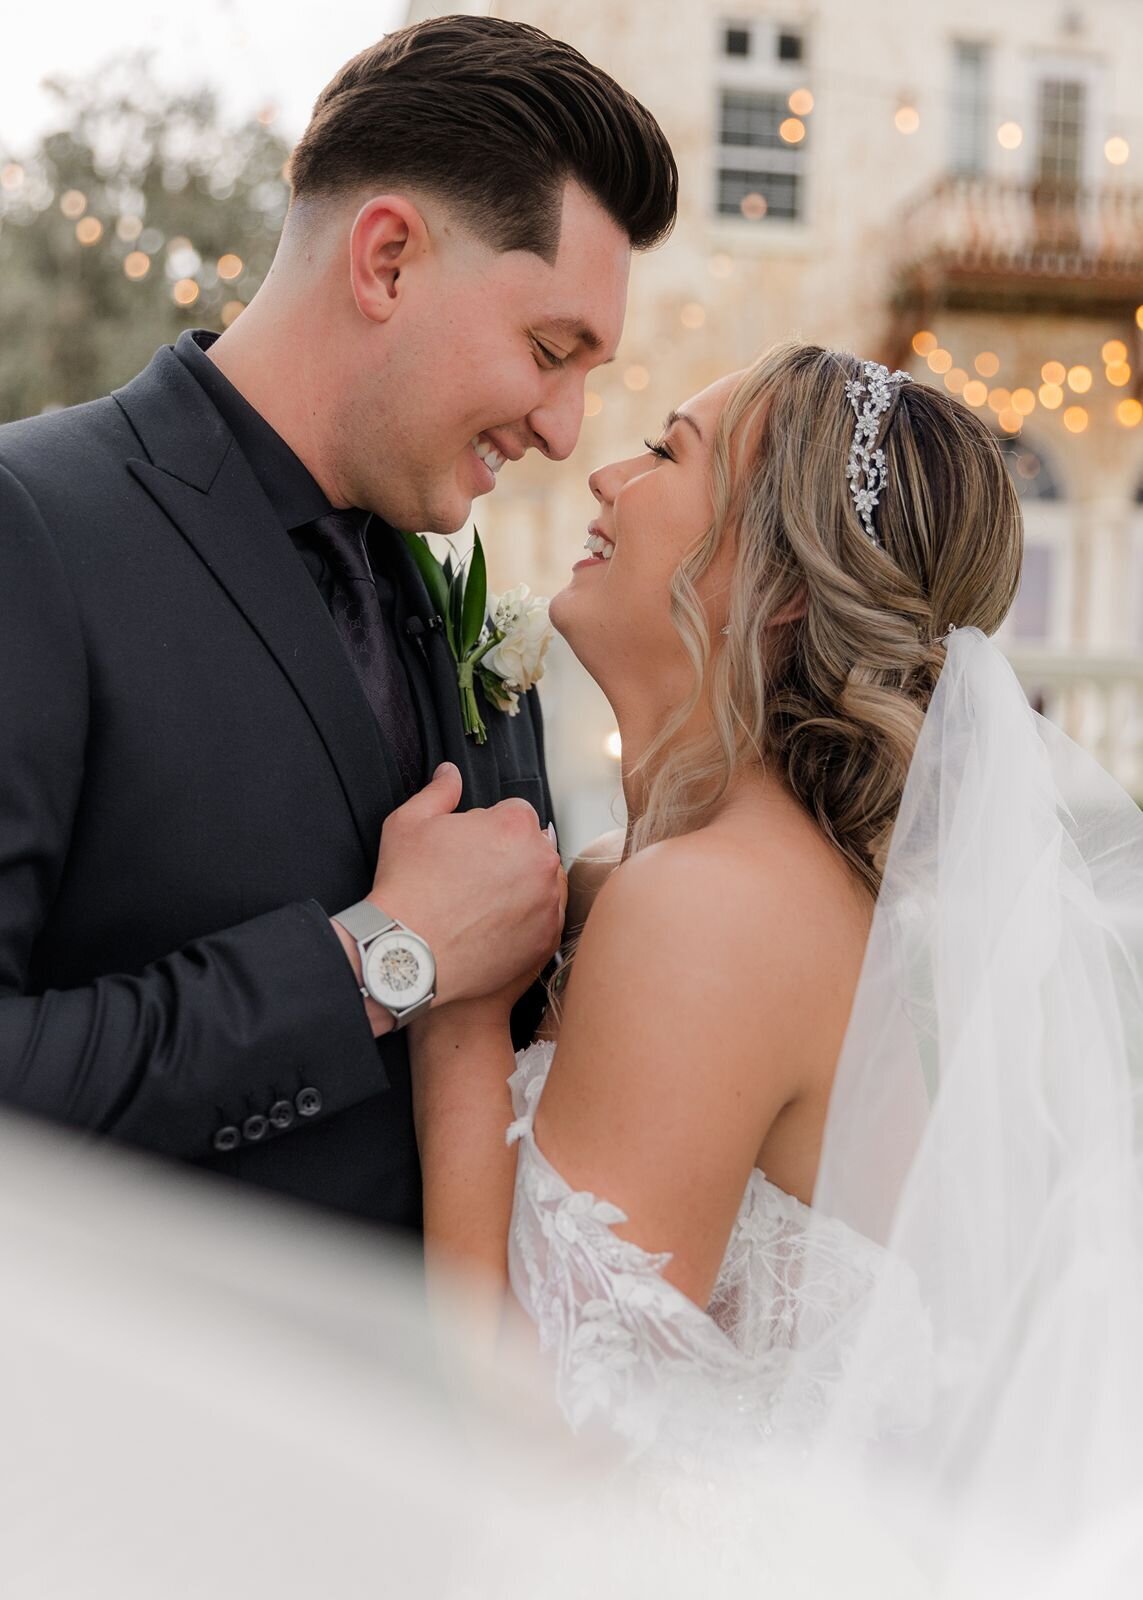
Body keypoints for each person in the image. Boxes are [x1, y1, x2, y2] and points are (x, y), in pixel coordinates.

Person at [413, 344, 1143, 1590]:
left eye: (664, 454)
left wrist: (454, 993)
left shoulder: (710, 914)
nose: (604, 474)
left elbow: (542, 1433)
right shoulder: (739, 887)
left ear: (782, 584)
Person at [0, 14, 677, 1227]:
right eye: (548, 349)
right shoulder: (32, 528)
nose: (566, 429)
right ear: (387, 261)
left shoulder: (439, 583)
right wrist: (376, 961)